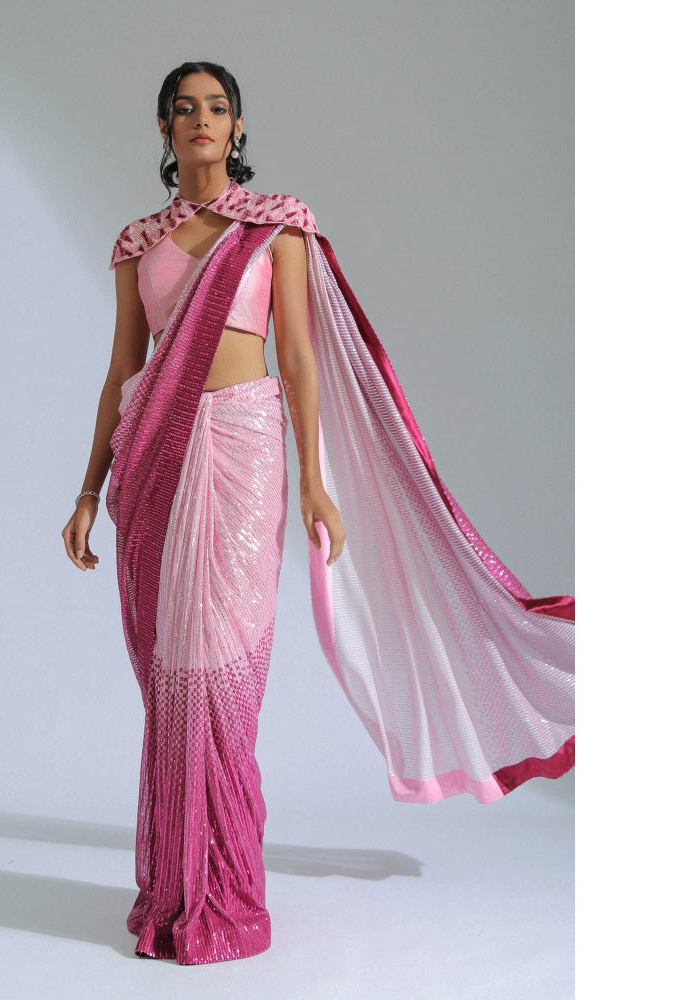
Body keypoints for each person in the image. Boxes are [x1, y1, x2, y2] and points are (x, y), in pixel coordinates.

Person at [62, 61, 574, 966]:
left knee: (223, 664)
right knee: (169, 672)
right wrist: (88, 488)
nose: (202, 119)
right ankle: (176, 887)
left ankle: (223, 889)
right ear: (165, 129)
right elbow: (120, 372)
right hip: (155, 459)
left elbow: (297, 359)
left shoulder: (276, 228)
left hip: (246, 446)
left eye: (217, 107)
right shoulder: (139, 243)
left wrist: (314, 480)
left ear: (238, 126)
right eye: (184, 108)